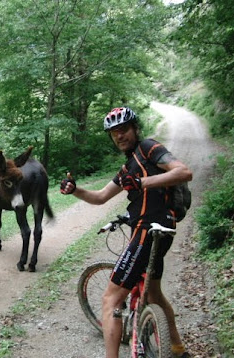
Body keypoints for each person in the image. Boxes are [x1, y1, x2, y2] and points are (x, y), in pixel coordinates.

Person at [60, 107, 192, 358]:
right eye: (114, 133)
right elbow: (100, 197)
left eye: (124, 130)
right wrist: (74, 190)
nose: (119, 136)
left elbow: (184, 172)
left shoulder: (149, 148)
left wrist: (142, 182)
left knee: (110, 300)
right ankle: (177, 348)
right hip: (160, 233)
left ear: (135, 129)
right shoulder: (128, 167)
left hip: (147, 229)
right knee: (154, 293)